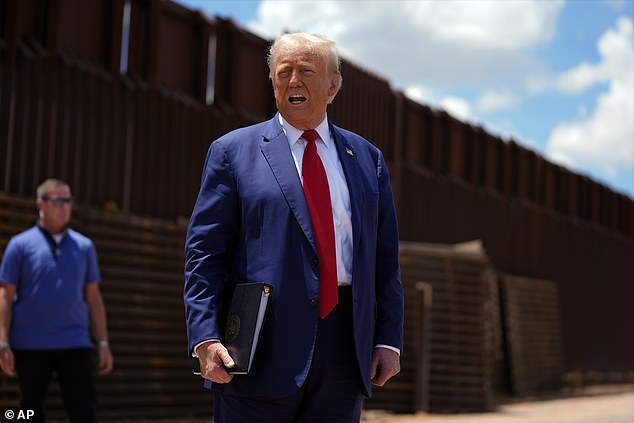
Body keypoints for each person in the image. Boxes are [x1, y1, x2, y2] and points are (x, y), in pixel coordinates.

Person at [184, 32, 403, 422]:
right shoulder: (233, 153)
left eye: (306, 71)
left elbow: (384, 259)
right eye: (283, 73)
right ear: (272, 84)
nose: (293, 81)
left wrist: (388, 339)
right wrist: (205, 335)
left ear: (333, 85)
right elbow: (204, 254)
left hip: (344, 349)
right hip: (258, 347)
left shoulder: (367, 159)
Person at [0, 178, 113, 423]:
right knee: (27, 412)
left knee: (84, 412)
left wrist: (103, 342)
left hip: (75, 342)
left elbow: (93, 298)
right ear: (41, 203)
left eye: (68, 200)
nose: (65, 207)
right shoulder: (19, 245)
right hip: (29, 344)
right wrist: (2, 343)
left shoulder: (85, 246)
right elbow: (5, 296)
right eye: (58, 200)